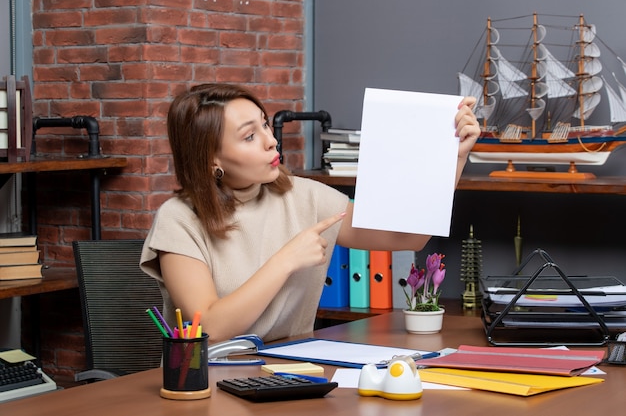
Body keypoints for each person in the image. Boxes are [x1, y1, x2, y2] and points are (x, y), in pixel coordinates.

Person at [140, 83, 480, 343]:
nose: (270, 141)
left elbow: (410, 236)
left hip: (294, 375)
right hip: (207, 385)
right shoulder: (179, 219)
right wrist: (285, 260)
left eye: (264, 125)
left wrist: (455, 157)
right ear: (211, 158)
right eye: (249, 136)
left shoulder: (303, 196)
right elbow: (209, 329)